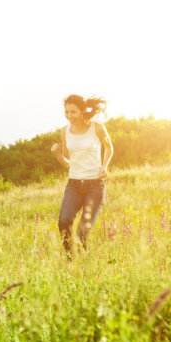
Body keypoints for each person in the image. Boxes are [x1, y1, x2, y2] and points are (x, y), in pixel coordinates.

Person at [51, 94, 114, 258]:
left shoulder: (97, 127)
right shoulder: (64, 132)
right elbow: (68, 161)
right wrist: (58, 155)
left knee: (82, 230)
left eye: (73, 112)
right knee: (64, 222)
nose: (69, 116)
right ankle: (70, 259)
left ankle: (84, 260)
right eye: (67, 112)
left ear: (81, 111)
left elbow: (109, 148)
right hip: (74, 185)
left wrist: (104, 166)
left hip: (95, 185)